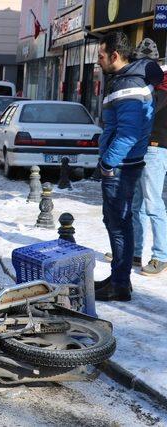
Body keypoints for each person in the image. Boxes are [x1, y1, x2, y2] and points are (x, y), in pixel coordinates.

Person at [94, 31, 163, 302]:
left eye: (101, 56)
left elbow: (128, 133)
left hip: (120, 166)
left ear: (115, 55)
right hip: (120, 165)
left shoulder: (129, 85)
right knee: (115, 223)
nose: (97, 61)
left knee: (119, 225)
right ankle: (118, 278)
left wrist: (107, 162)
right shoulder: (123, 80)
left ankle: (120, 284)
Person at [131, 39, 167, 277]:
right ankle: (134, 251)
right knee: (138, 203)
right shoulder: (152, 84)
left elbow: (151, 116)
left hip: (156, 147)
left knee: (153, 204)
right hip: (146, 146)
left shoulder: (161, 86)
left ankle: (161, 256)